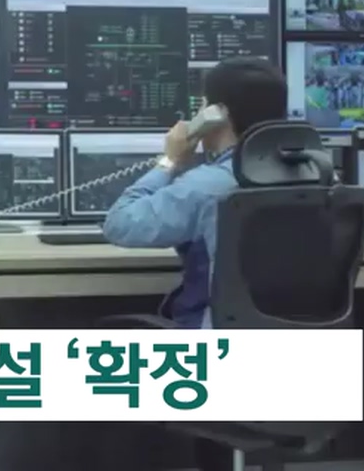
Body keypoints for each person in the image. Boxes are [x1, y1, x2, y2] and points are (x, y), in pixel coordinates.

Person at [101, 57, 287, 471]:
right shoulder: (321, 176)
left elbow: (120, 224)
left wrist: (170, 161)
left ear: (216, 114)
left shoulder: (211, 184)